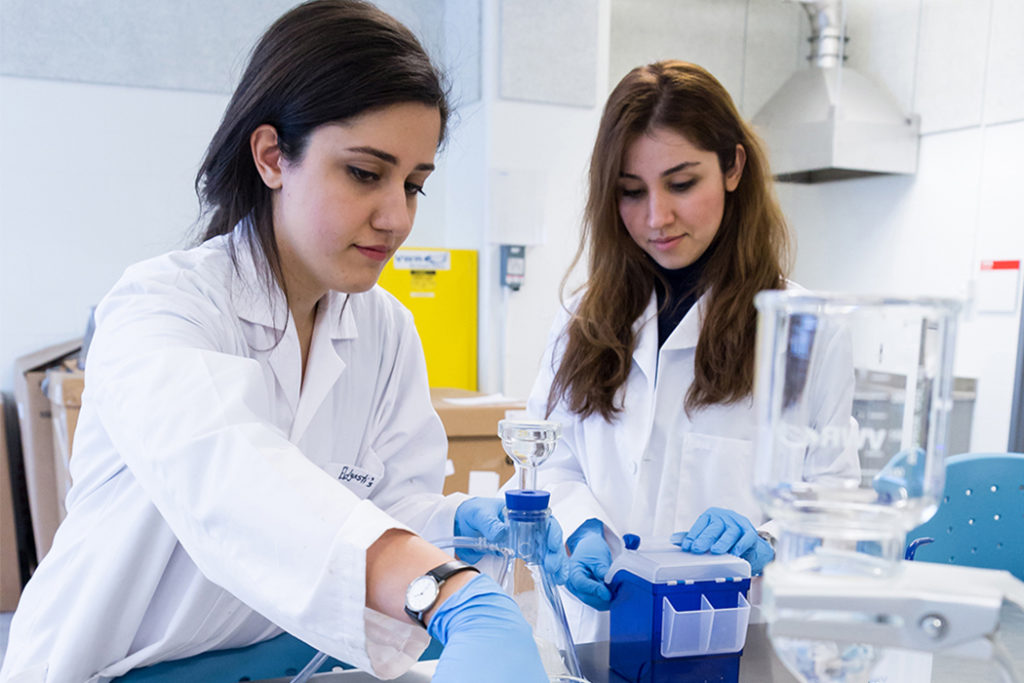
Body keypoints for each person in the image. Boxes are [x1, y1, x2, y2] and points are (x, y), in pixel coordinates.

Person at [0, 2, 560, 682]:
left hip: (285, 664)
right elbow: (234, 480)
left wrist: (467, 525)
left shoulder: (383, 329)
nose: (396, 217)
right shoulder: (161, 308)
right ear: (272, 156)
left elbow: (382, 514)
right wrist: (442, 591)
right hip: (116, 668)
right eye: (364, 172)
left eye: (414, 184)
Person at [527, 61, 860, 642]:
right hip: (596, 634)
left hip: (732, 638)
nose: (657, 218)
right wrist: (581, 530)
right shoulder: (582, 319)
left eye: (682, 184)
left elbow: (834, 499)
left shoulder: (807, 329)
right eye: (631, 193)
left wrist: (767, 539)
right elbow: (547, 457)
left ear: (733, 166)